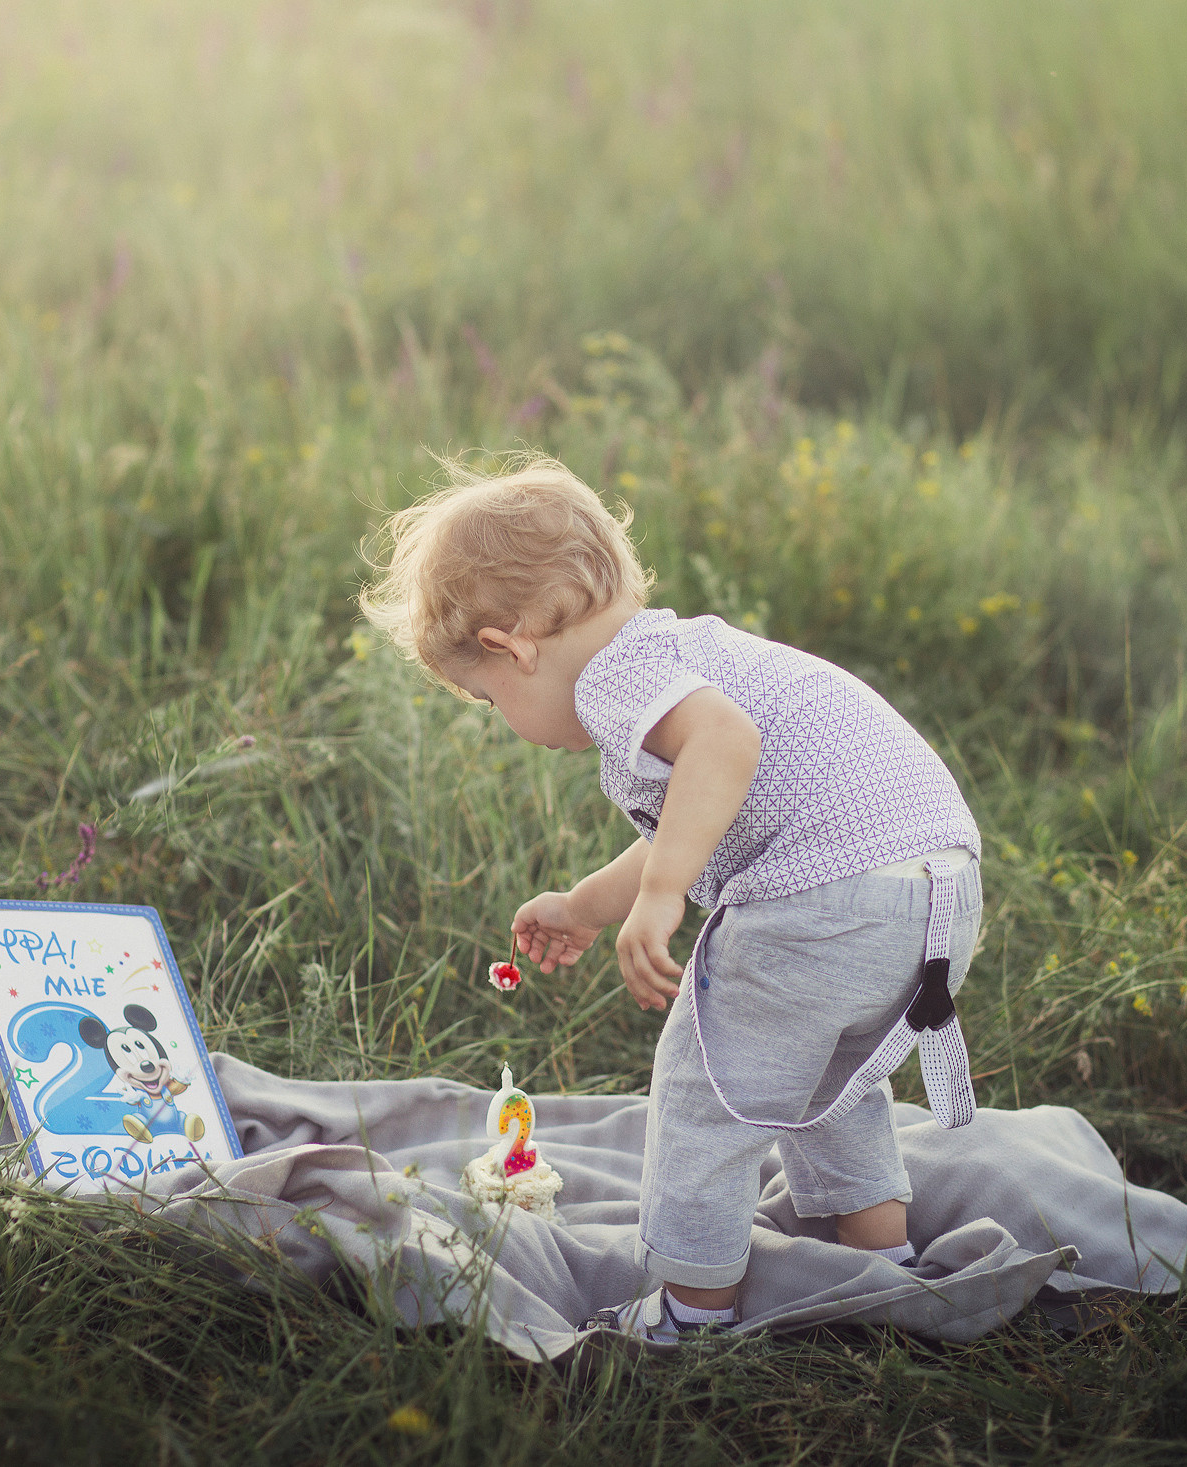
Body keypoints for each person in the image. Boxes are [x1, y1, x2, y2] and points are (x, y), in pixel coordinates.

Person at [357, 455, 983, 1344]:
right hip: (933, 889)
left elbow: (725, 746)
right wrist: (589, 902)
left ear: (511, 647)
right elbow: (698, 813)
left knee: (705, 1091)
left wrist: (662, 896)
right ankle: (881, 1256)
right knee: (824, 1078)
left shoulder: (619, 673)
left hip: (826, 895)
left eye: (491, 699)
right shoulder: (675, 653)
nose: (506, 719)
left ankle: (692, 1314)